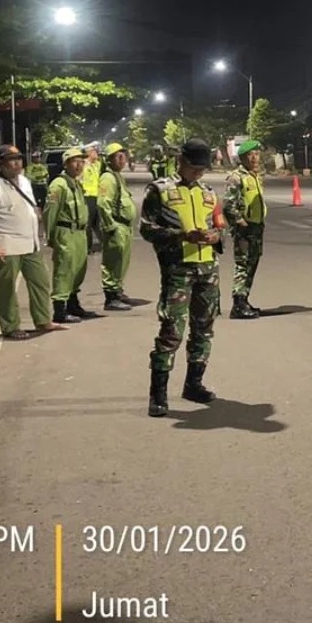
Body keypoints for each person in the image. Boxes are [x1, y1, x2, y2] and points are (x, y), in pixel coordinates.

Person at [140, 139, 221, 416]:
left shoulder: (208, 193)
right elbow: (147, 229)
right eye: (194, 167)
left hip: (208, 270)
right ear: (181, 162)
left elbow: (218, 228)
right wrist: (181, 236)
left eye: (203, 168)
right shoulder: (160, 190)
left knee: (204, 330)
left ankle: (194, 384)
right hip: (178, 270)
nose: (199, 173)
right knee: (171, 332)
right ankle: (158, 394)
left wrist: (215, 236)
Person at [0, 144, 65, 340]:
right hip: (7, 245)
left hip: (30, 242)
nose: (17, 163)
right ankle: (10, 326)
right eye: (11, 160)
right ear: (0, 164)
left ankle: (43, 320)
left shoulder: (24, 181)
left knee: (40, 282)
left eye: (19, 159)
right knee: (7, 288)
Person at [45, 147, 97, 323]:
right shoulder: (59, 185)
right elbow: (50, 212)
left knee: (78, 269)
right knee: (64, 270)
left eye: (82, 161)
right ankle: (60, 310)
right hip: (65, 231)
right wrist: (51, 236)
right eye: (75, 161)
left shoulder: (75, 183)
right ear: (66, 164)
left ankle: (74, 305)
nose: (79, 165)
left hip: (79, 233)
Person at [223, 138, 268, 319]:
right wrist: (239, 222)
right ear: (243, 157)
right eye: (251, 154)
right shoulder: (237, 177)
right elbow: (228, 204)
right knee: (243, 265)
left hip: (257, 226)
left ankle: (244, 299)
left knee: (252, 264)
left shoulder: (255, 176)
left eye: (257, 153)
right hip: (245, 228)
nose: (255, 157)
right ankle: (238, 304)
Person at [97, 142, 135, 311]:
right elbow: (102, 203)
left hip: (125, 226)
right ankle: (111, 297)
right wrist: (110, 225)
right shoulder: (108, 178)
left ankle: (117, 291)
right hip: (117, 225)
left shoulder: (117, 175)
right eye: (118, 156)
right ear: (109, 160)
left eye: (124, 156)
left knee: (121, 262)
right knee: (113, 262)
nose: (123, 159)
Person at [80, 143, 102, 253]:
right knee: (88, 223)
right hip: (87, 197)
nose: (96, 153)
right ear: (88, 153)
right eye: (94, 151)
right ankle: (87, 247)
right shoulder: (83, 165)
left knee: (98, 223)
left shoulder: (97, 164)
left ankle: (105, 244)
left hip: (97, 196)